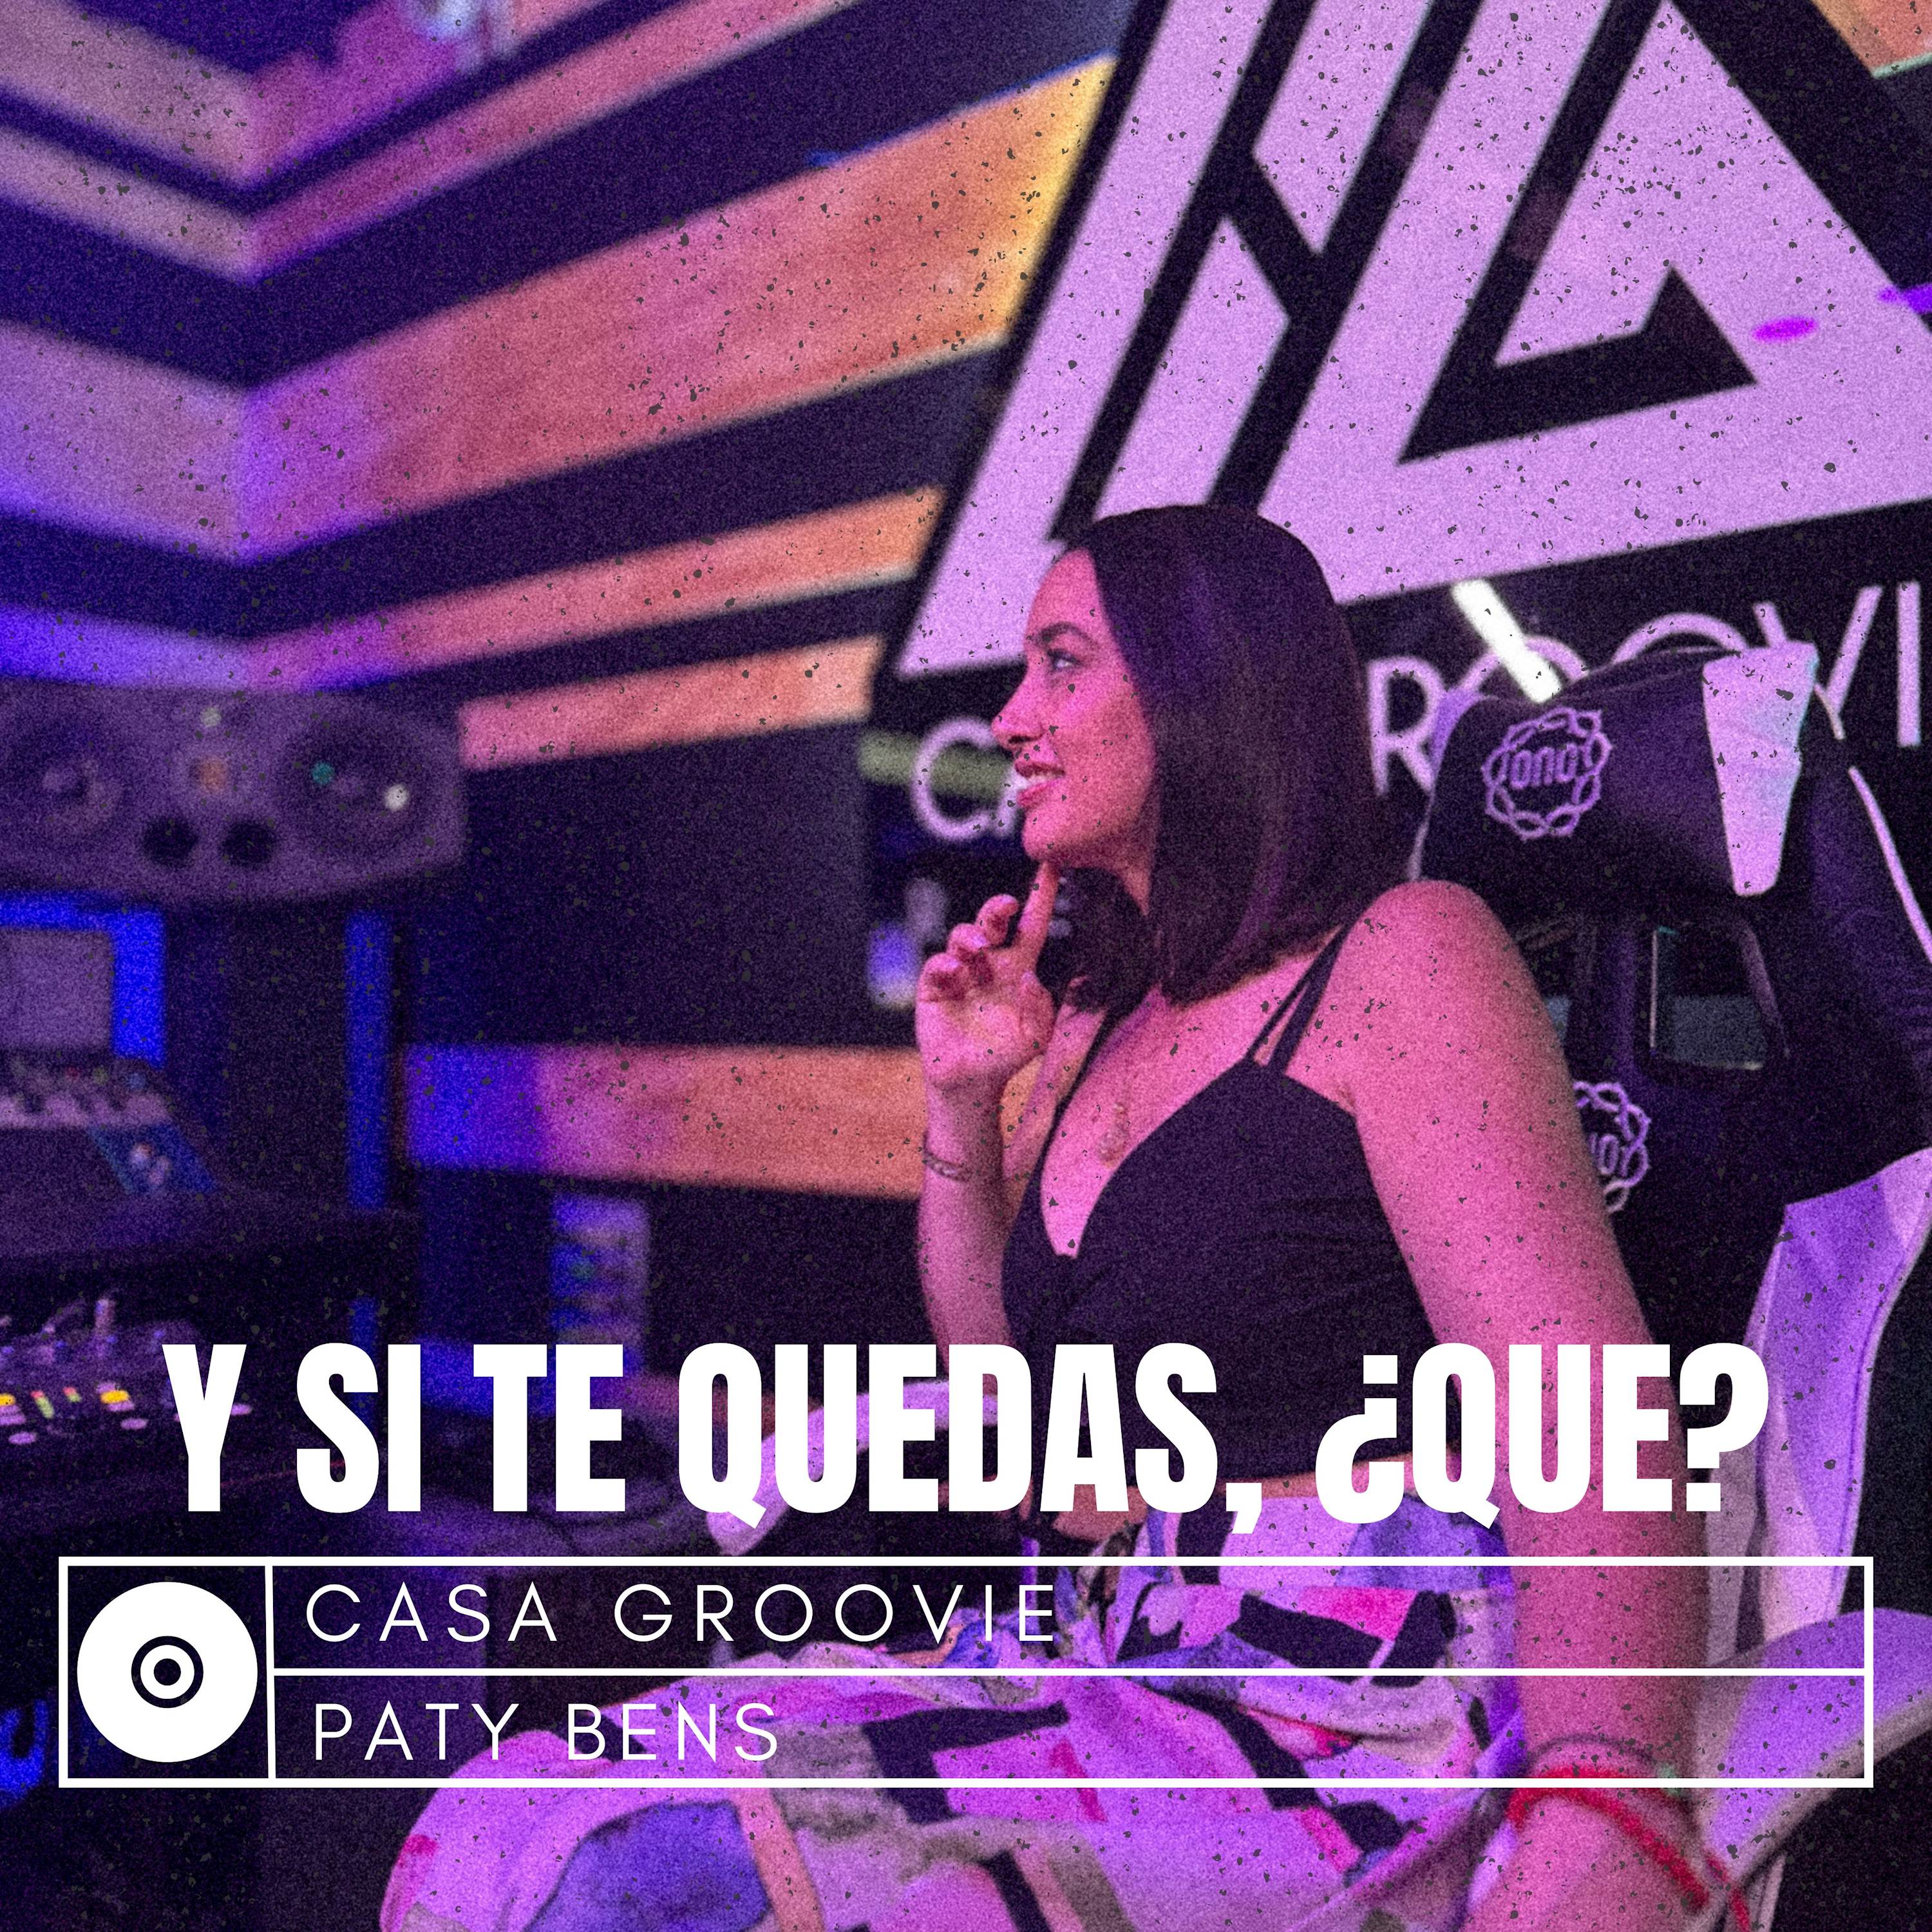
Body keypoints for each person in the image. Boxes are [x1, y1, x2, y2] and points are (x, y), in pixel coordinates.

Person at [383, 508, 1714, 1932]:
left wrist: (1604, 1794)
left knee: (650, 1878)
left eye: (1061, 664)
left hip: (1327, 1699)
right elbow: (1017, 1433)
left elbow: (1586, 1408)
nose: (1011, 719)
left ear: (1208, 687)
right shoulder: (1095, 1015)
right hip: (1086, 1648)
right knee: (514, 1820)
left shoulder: (1407, 957)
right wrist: (965, 1105)